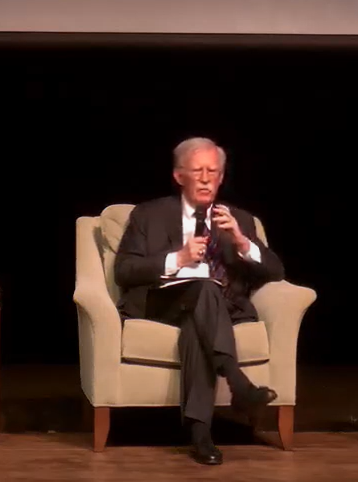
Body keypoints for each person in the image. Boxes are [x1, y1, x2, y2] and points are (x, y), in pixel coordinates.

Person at [114, 137, 284, 466]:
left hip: (215, 312)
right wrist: (176, 258)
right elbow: (125, 271)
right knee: (204, 291)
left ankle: (201, 436)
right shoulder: (148, 215)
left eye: (213, 171)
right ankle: (238, 383)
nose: (206, 178)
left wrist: (240, 241)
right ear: (180, 176)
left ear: (221, 178)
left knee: (199, 321)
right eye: (198, 171)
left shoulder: (241, 220)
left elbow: (276, 271)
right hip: (162, 304)